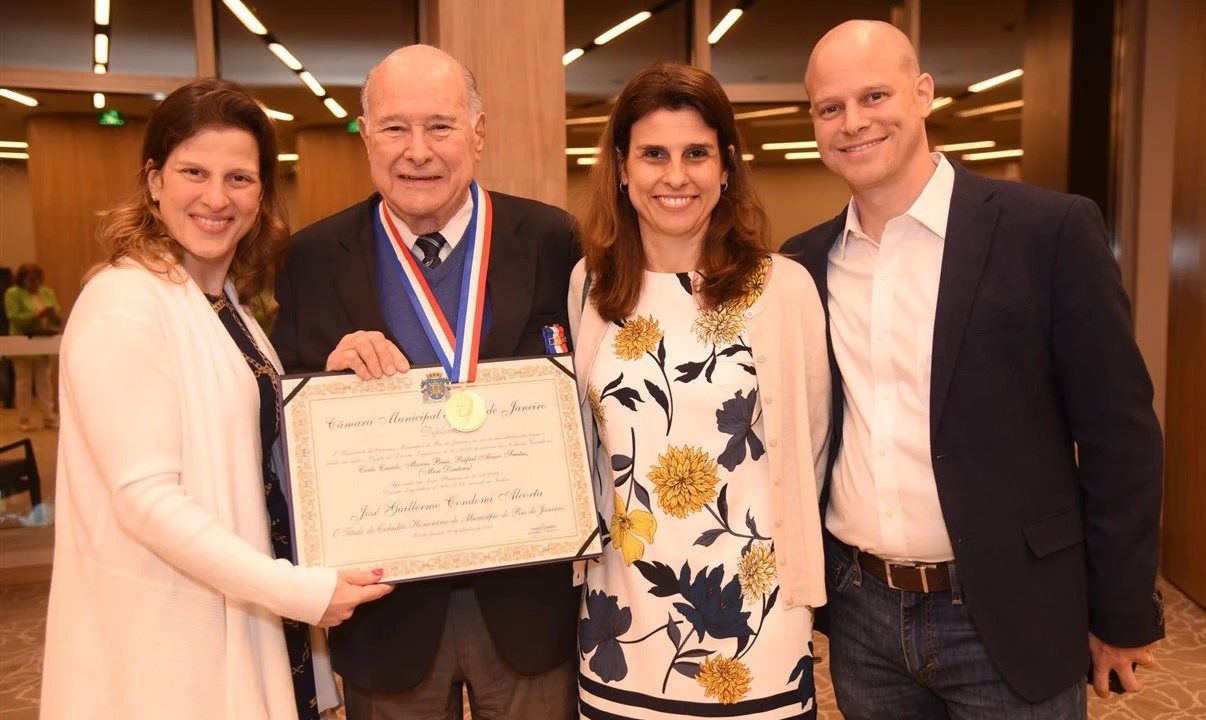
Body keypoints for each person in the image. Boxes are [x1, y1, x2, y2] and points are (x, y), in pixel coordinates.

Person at [780, 20, 1165, 719]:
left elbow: (1122, 439)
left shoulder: (1048, 233)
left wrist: (1123, 612)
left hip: (1009, 612)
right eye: (829, 108)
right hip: (865, 618)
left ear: (923, 94)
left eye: (874, 96)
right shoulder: (802, 264)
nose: (852, 122)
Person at [40, 79, 393, 720]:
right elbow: (146, 499)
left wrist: (323, 389)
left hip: (246, 610)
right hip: (172, 643)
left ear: (261, 193)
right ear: (154, 180)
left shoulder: (225, 304)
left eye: (239, 178)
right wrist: (297, 590)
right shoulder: (125, 302)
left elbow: (243, 443)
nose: (215, 198)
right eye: (193, 172)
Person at [271, 45, 580, 719]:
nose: (418, 150)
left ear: (478, 132)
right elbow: (281, 431)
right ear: (364, 135)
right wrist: (327, 383)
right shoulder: (312, 259)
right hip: (387, 614)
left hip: (527, 604)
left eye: (439, 126)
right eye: (394, 127)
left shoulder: (552, 240)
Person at [569, 62, 830, 719]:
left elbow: (813, 446)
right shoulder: (591, 287)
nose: (676, 176)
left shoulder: (782, 288)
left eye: (696, 154)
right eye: (653, 154)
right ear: (623, 167)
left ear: (726, 167)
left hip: (756, 626)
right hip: (620, 622)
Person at [4, 262, 62, 430]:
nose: (34, 282)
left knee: (44, 381)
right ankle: (24, 418)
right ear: (22, 278)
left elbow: (58, 313)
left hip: (45, 339)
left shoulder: (47, 292)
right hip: (22, 341)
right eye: (30, 278)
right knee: (24, 381)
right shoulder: (12, 293)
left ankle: (49, 417)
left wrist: (53, 315)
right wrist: (37, 315)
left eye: (37, 278)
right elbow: (13, 316)